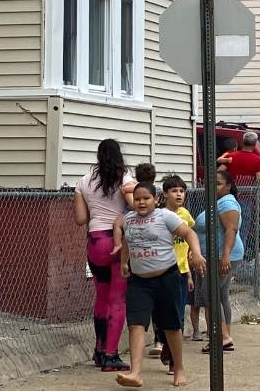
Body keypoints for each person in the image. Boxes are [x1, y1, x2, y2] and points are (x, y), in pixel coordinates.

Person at [113, 182, 206, 389]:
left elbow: (189, 234)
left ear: (156, 199)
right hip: (139, 281)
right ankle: (136, 372)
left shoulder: (166, 216)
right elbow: (128, 241)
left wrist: (197, 254)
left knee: (171, 325)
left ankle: (179, 368)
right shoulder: (129, 219)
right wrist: (123, 262)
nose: (141, 202)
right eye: (137, 199)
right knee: (136, 323)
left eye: (146, 198)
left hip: (167, 277)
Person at [75, 139, 134, 371]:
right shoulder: (125, 179)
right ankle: (111, 355)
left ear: (98, 156)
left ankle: (99, 350)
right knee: (118, 300)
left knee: (101, 297)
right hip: (120, 241)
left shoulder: (83, 182)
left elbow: (80, 219)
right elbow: (134, 205)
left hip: (96, 240)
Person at [192, 169, 244, 353]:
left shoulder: (227, 202)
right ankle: (225, 336)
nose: (213, 187)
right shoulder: (218, 202)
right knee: (220, 294)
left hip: (222, 256)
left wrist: (225, 256)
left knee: (210, 293)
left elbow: (231, 230)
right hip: (216, 256)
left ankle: (223, 336)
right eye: (210, 183)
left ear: (228, 185)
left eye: (218, 183)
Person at [153, 175, 195, 373]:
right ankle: (162, 341)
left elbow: (188, 242)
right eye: (174, 191)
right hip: (163, 271)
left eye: (181, 191)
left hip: (181, 270)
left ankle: (173, 358)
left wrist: (189, 274)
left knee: (178, 315)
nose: (179, 194)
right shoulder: (158, 215)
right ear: (165, 195)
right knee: (161, 315)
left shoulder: (185, 214)